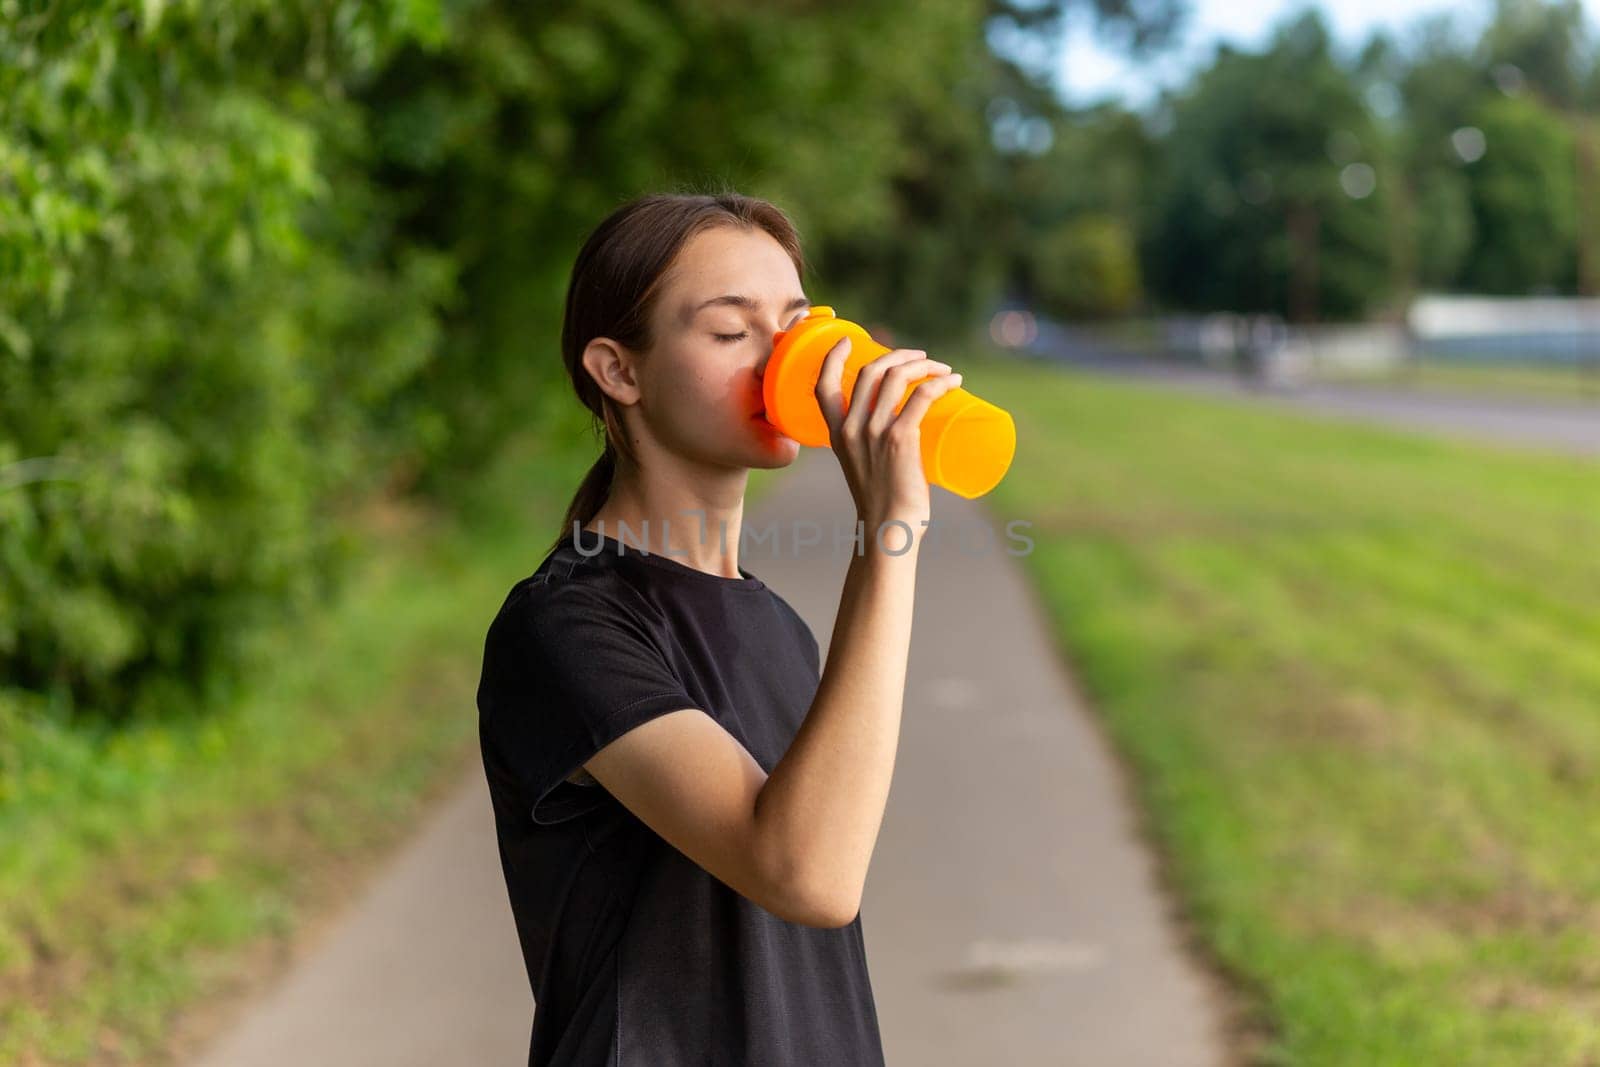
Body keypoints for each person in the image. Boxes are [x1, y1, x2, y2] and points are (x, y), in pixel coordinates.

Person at [475, 190, 963, 1066]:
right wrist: (890, 537)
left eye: (798, 328)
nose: (786, 363)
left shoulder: (777, 623)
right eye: (733, 334)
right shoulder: (564, 627)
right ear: (618, 371)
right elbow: (806, 873)